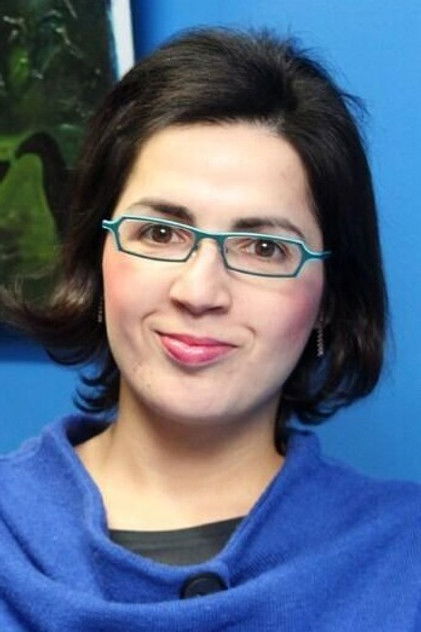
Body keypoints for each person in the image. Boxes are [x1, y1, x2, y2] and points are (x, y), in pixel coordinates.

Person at [1, 27, 420, 631]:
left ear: (330, 299)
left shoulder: (406, 554)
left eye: (263, 248)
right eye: (161, 233)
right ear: (97, 256)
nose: (199, 293)